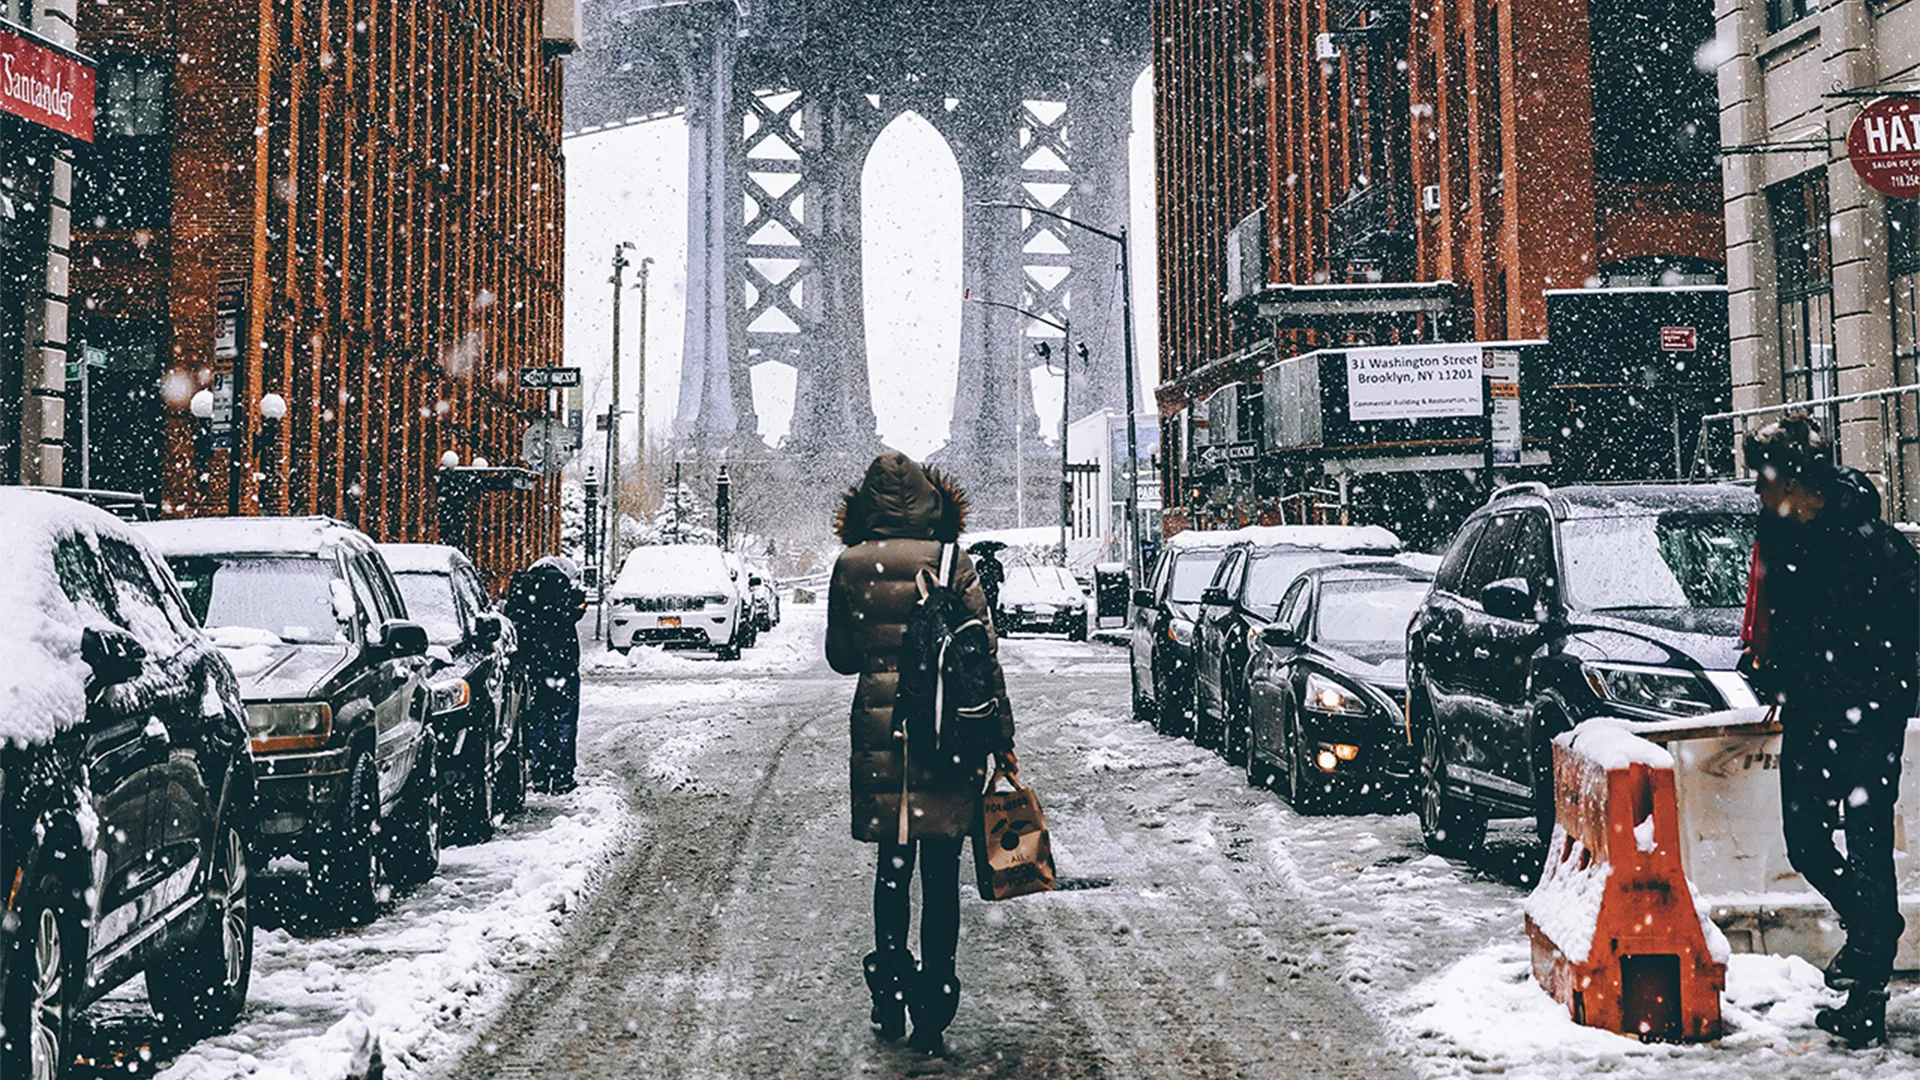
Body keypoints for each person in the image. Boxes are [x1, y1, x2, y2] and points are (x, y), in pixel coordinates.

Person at [826, 452, 1016, 1054]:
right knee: (940, 876)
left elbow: (841, 657)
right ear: (933, 501)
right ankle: (933, 1005)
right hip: (948, 736)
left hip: (885, 733)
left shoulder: (851, 566)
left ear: (866, 506)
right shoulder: (953, 563)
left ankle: (889, 990)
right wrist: (1002, 740)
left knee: (892, 869)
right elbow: (983, 659)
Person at [1740, 413, 1919, 1046]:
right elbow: (1783, 626)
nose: (1756, 491)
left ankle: (1866, 994)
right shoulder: (1779, 538)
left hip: (1869, 716)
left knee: (1868, 843)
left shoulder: (1873, 542)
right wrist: (1771, 672)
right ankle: (1875, 930)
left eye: (1762, 479)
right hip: (1812, 715)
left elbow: (1907, 632)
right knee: (1808, 844)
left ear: (1793, 480)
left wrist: (1877, 695)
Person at [506, 561, 586, 794]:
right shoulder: (560, 583)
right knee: (564, 718)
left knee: (537, 716)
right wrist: (578, 606)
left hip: (534, 664)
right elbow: (567, 616)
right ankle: (561, 775)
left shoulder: (523, 585)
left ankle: (539, 772)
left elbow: (515, 619)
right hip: (562, 663)